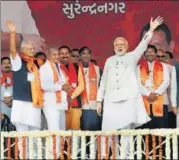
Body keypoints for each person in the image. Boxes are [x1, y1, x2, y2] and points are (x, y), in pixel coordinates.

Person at [96, 16, 163, 159]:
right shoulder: (109, 61)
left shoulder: (132, 56)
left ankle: (125, 157)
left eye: (122, 44)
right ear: (114, 48)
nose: (119, 46)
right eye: (117, 45)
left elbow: (143, 44)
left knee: (126, 131)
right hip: (111, 101)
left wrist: (150, 30)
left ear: (126, 46)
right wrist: (98, 101)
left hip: (128, 100)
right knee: (108, 131)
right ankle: (108, 156)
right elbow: (103, 82)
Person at [6, 20, 43, 159]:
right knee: (23, 134)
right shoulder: (17, 63)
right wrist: (12, 33)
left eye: (33, 48)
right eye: (29, 48)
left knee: (34, 133)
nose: (33, 50)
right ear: (22, 51)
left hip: (34, 104)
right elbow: (12, 51)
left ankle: (34, 157)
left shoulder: (36, 65)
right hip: (21, 104)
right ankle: (23, 157)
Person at [39, 47, 69, 157]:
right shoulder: (44, 68)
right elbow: (44, 85)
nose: (56, 56)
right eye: (54, 54)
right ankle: (52, 155)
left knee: (61, 130)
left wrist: (64, 87)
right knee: (54, 130)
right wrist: (62, 86)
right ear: (48, 55)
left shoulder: (58, 68)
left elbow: (62, 84)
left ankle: (59, 154)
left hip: (60, 104)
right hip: (50, 103)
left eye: (58, 54)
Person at [138, 45, 170, 129]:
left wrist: (155, 93)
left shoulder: (163, 66)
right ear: (144, 55)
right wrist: (148, 94)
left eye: (152, 51)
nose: (150, 54)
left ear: (156, 54)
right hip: (144, 101)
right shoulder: (138, 68)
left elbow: (166, 82)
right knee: (146, 129)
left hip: (161, 101)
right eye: (147, 52)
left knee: (161, 129)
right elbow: (138, 84)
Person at [58, 46, 84, 130]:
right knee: (63, 129)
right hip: (61, 103)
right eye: (62, 53)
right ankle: (63, 144)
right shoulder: (56, 67)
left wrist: (72, 96)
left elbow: (81, 85)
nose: (64, 55)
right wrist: (66, 97)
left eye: (66, 53)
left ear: (69, 54)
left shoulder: (77, 67)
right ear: (58, 55)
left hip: (75, 103)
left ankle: (74, 143)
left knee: (75, 130)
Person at [157, 49, 177, 128]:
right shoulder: (148, 68)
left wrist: (174, 105)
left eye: (163, 56)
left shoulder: (171, 68)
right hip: (153, 104)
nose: (160, 58)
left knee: (168, 130)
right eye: (158, 56)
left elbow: (174, 88)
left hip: (169, 106)